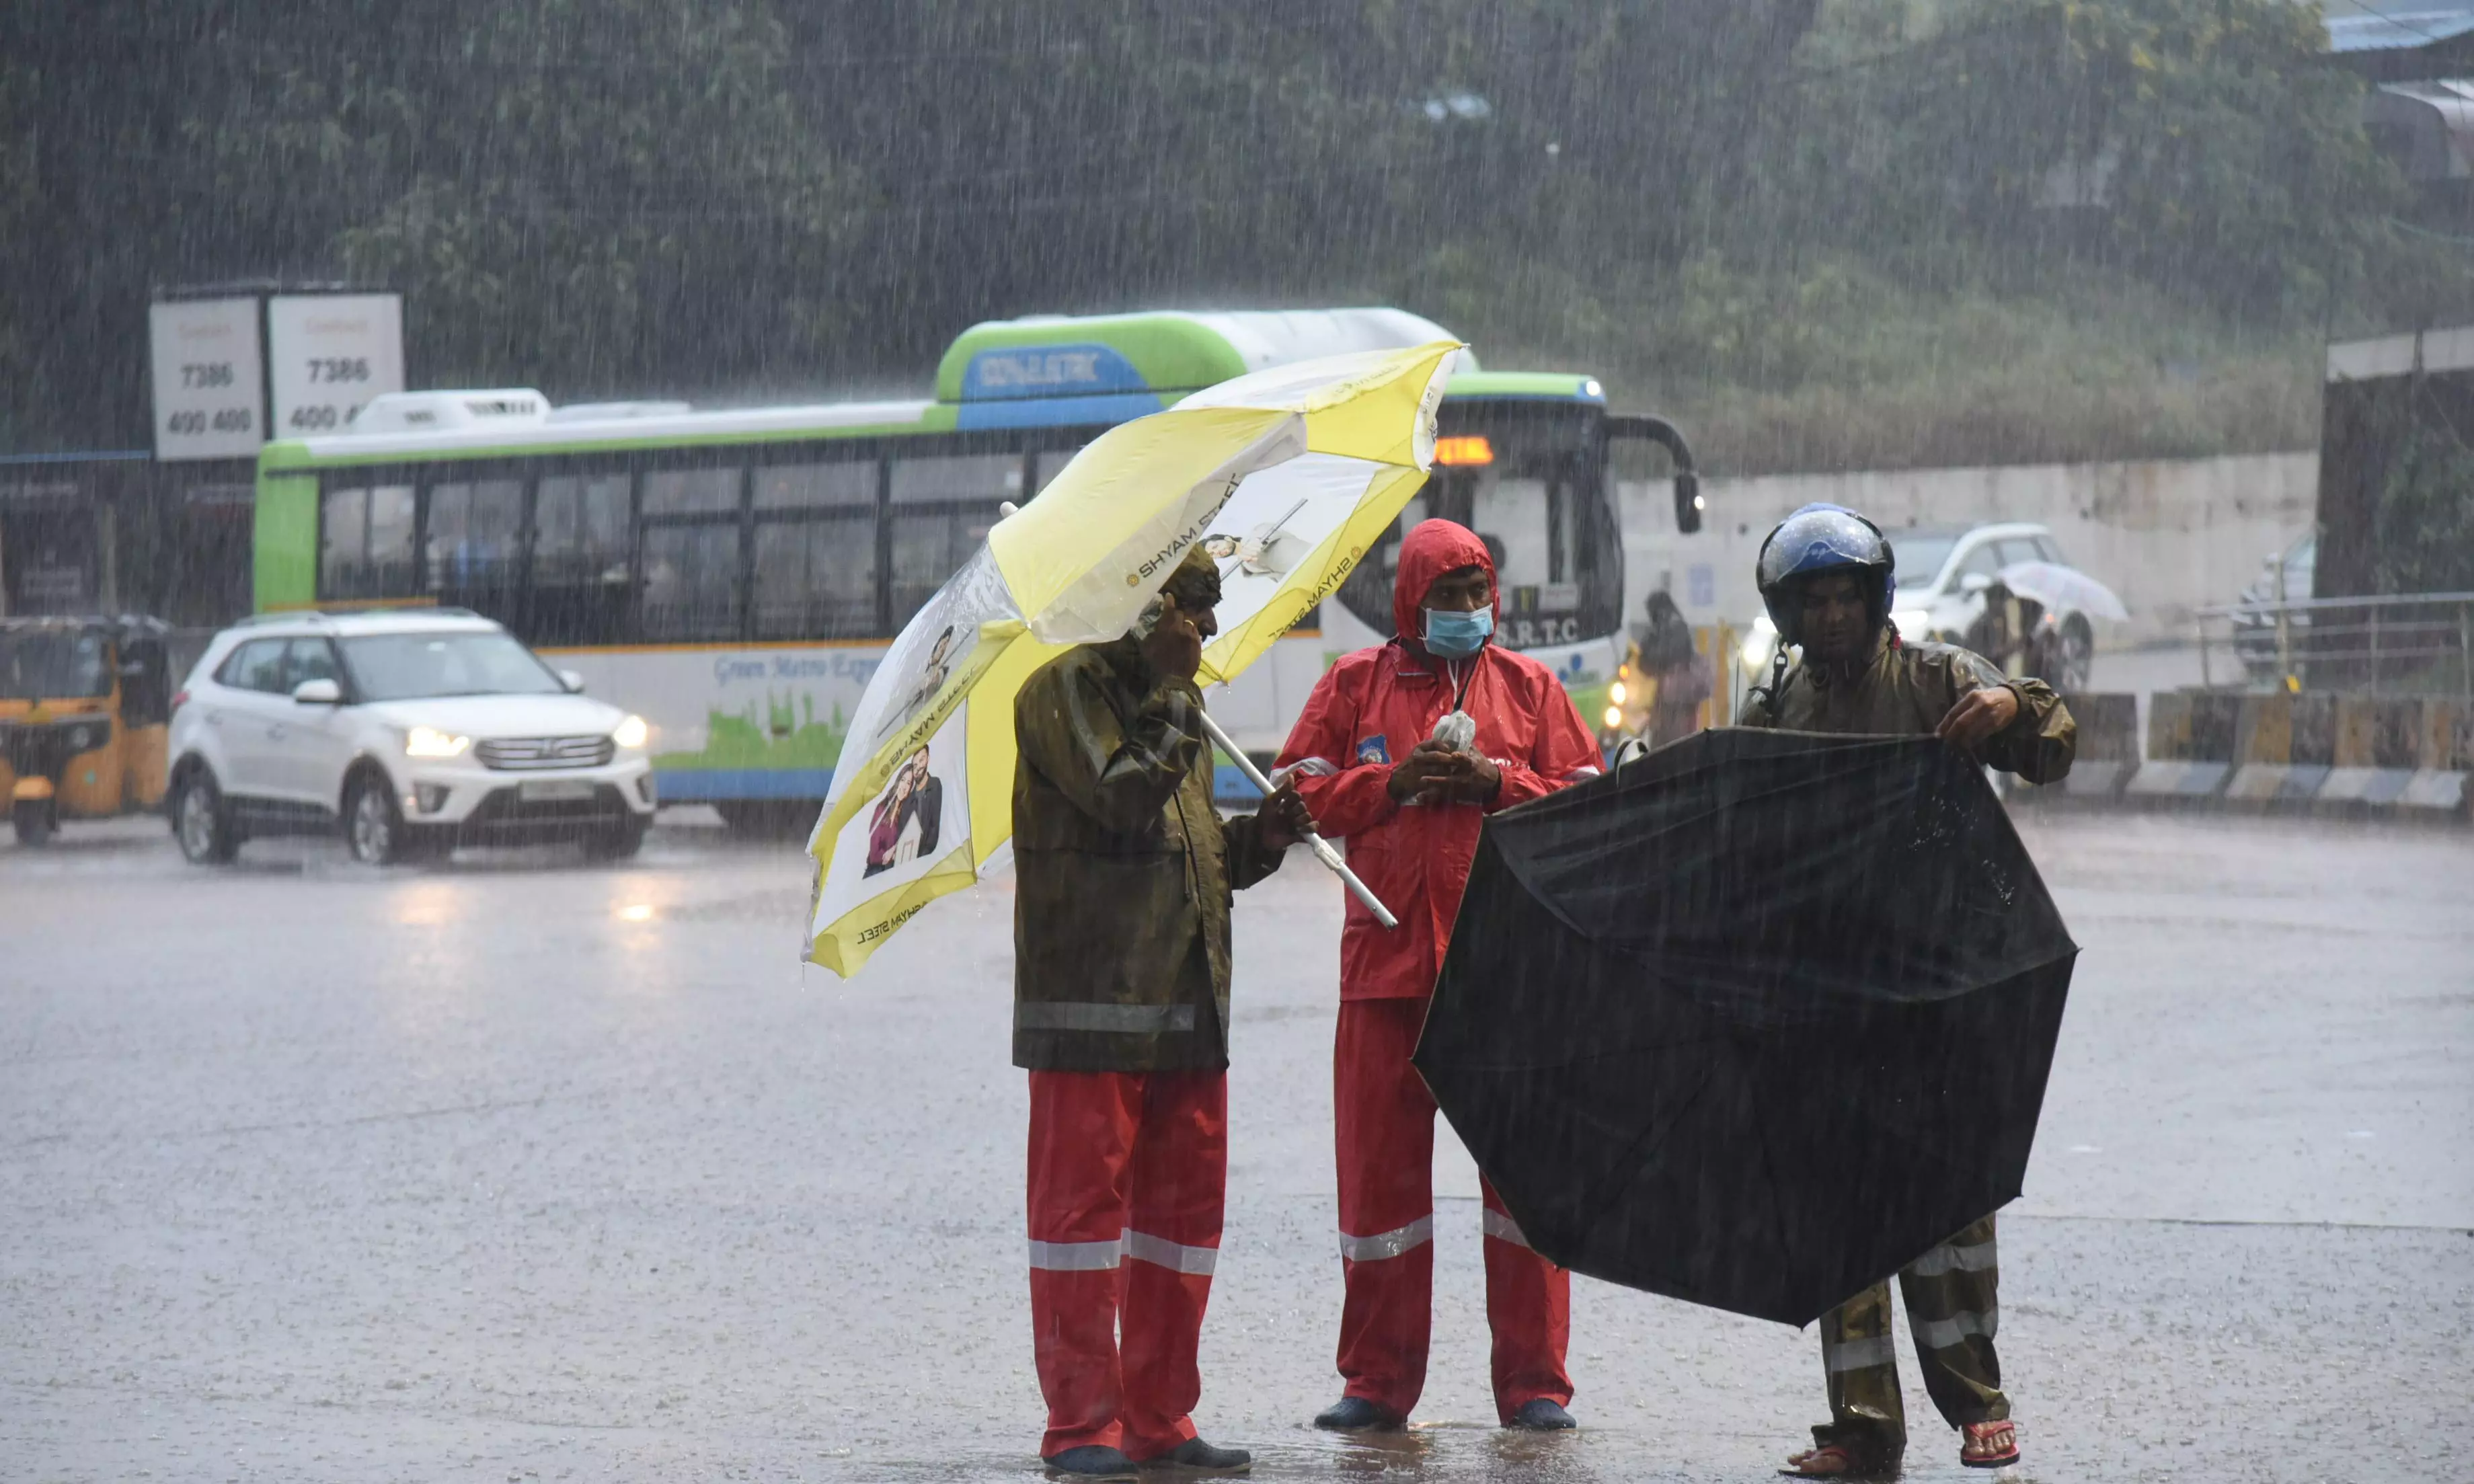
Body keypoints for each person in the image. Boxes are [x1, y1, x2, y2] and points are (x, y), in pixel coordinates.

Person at [1738, 504, 2074, 1479]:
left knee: (1946, 1209)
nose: (1833, 615)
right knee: (1838, 1216)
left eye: (1848, 595)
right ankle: (1861, 1425)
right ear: (1792, 614)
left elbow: (2051, 740)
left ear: (1875, 599)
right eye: (1816, 600)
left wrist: (2014, 707)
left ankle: (1978, 1401)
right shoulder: (1776, 707)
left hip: (1939, 990)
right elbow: (1735, 832)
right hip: (1825, 996)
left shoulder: (1938, 678)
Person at [1272, 517, 1605, 1434]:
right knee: (1379, 1197)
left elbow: (1589, 801)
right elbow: (1290, 798)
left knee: (1523, 1191)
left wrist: (1496, 782)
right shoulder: (1353, 686)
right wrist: (1392, 785)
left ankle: (1535, 1385)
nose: (1464, 610)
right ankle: (1376, 1383)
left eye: (1475, 593)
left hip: (1506, 980)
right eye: (1444, 596)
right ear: (1408, 604)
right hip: (1382, 978)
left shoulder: (1531, 689)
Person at [1011, 545, 1317, 1478]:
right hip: (1094, 1003)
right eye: (1196, 603)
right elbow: (1122, 801)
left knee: (1180, 1223)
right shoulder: (1060, 689)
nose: (1212, 625)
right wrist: (1174, 699)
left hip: (1187, 1003)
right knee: (1081, 1223)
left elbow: (1192, 854)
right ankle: (1081, 1427)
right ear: (1146, 605)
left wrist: (1259, 841)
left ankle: (1159, 1417)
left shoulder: (1174, 703)